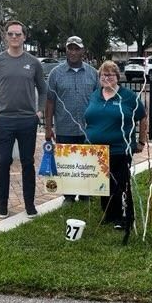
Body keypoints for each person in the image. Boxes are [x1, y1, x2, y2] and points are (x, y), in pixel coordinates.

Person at [0, 20, 47, 219]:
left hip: (28, 120)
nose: (14, 37)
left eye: (18, 34)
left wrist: (39, 112)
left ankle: (29, 204)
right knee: (3, 162)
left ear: (24, 37)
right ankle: (2, 204)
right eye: (10, 34)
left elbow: (43, 91)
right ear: (6, 36)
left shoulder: (34, 62)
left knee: (28, 163)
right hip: (5, 121)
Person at [85, 60, 148, 232]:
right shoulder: (95, 95)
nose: (106, 78)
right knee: (103, 184)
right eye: (103, 75)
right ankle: (109, 214)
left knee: (120, 183)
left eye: (110, 74)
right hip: (97, 150)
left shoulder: (127, 97)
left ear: (117, 77)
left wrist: (142, 141)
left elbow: (142, 117)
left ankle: (125, 216)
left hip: (120, 148)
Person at [45, 35, 99, 203]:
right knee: (67, 163)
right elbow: (49, 102)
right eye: (70, 48)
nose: (73, 52)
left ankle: (85, 194)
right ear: (66, 50)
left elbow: (98, 101)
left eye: (77, 48)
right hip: (64, 127)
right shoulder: (55, 74)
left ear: (83, 51)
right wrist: (48, 127)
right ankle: (68, 196)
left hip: (88, 129)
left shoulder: (93, 73)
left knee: (85, 163)